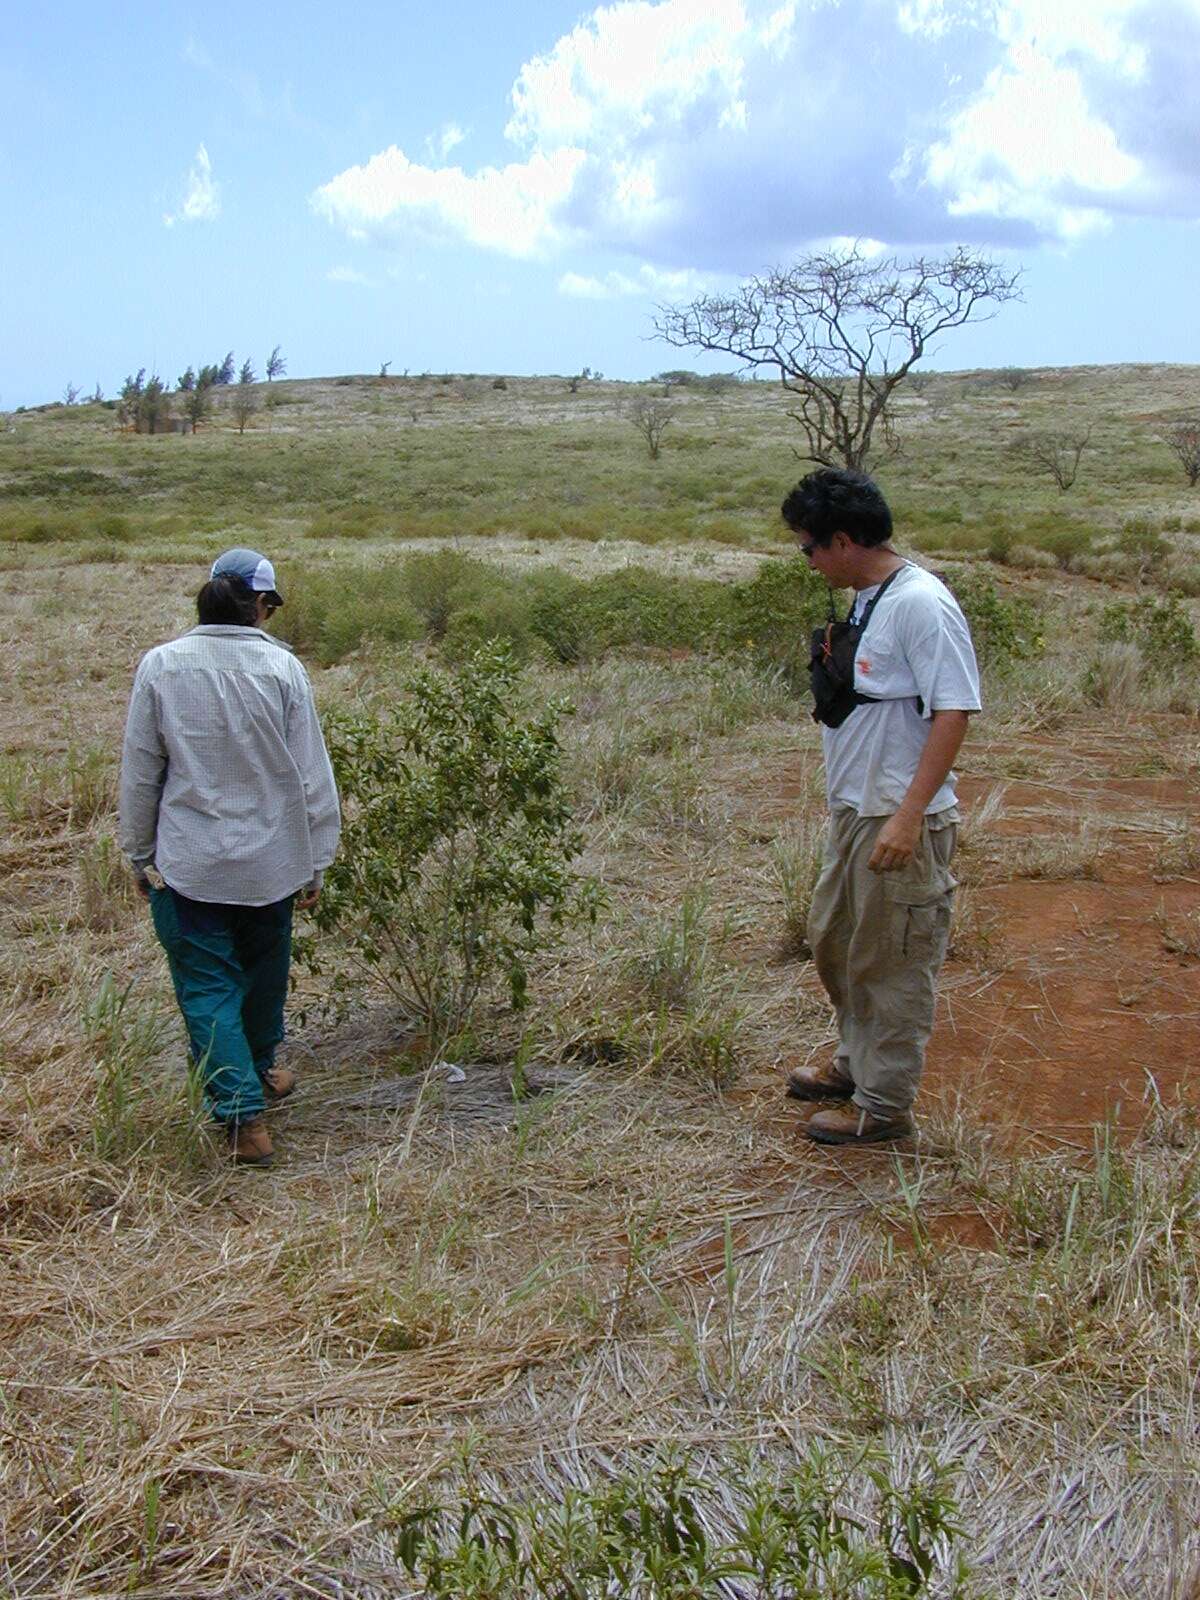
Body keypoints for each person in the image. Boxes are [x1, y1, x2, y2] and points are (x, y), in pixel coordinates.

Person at [118, 548, 340, 1166]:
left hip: (190, 863)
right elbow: (313, 778)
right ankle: (256, 1081)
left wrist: (139, 853)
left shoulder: (161, 666)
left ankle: (244, 1114)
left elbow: (141, 773)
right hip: (272, 862)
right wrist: (318, 858)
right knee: (264, 973)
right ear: (262, 607)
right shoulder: (282, 669)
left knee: (208, 986)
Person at [781, 470, 981, 1145]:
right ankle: (853, 1063)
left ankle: (883, 1106)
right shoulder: (871, 598)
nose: (808, 561)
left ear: (844, 540)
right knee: (838, 942)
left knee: (892, 962)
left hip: (899, 815)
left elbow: (954, 709)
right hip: (856, 810)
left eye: (810, 548)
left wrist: (908, 815)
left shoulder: (921, 603)